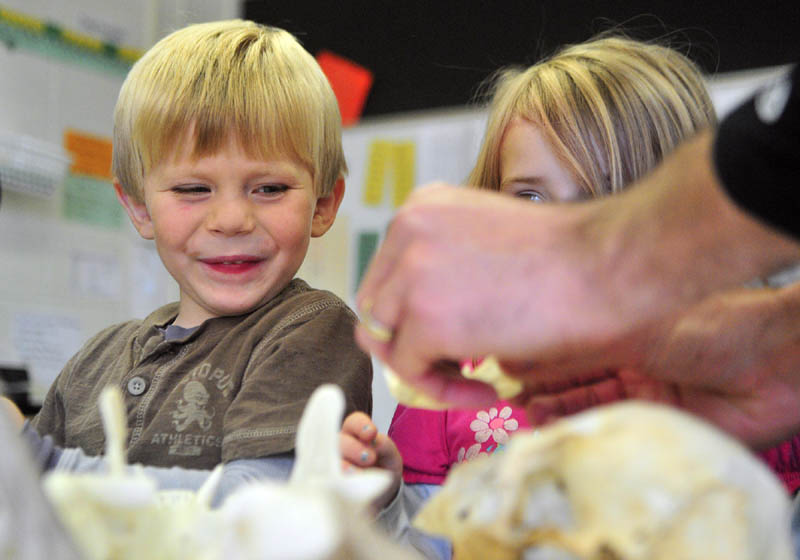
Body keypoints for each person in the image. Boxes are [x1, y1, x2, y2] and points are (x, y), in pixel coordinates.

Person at [344, 36, 794, 558]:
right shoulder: (455, 381)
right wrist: (386, 501)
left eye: (610, 201)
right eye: (529, 196)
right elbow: (427, 540)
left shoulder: (739, 374)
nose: (556, 227)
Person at [15, 19, 372, 503]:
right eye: (192, 189)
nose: (230, 219)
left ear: (324, 205)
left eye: (269, 189)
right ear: (140, 208)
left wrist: (38, 461)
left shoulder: (312, 330)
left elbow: (256, 506)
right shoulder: (95, 361)